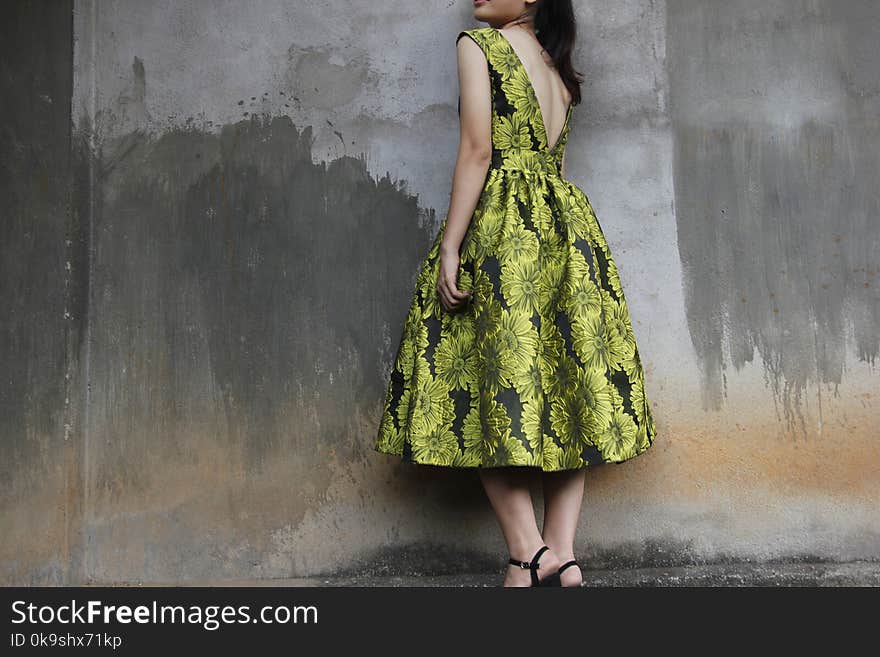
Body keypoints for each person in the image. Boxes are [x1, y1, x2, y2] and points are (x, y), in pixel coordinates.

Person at [375, 0, 658, 587]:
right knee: (566, 388)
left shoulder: (478, 47)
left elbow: (480, 150)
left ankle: (526, 553)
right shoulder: (557, 65)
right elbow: (550, 156)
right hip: (566, 227)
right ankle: (563, 553)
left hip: (505, 229)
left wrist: (452, 244)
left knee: (479, 382)